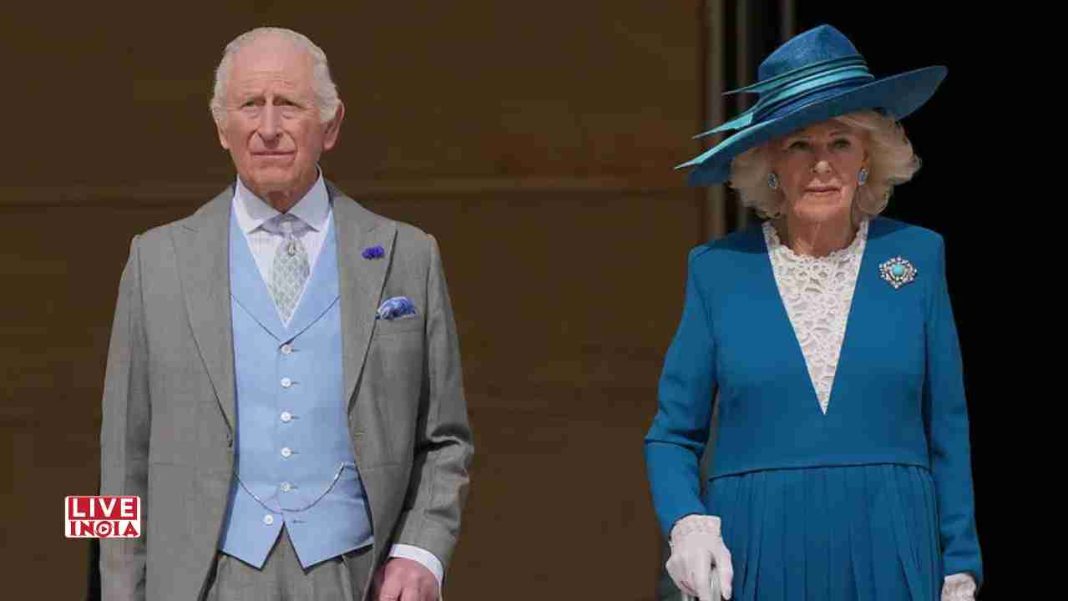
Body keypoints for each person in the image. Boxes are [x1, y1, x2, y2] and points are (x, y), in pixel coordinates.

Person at [99, 27, 473, 601]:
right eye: (250, 104)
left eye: (289, 105)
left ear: (331, 125)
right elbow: (118, 461)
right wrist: (119, 590)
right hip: (202, 582)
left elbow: (446, 441)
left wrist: (421, 552)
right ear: (221, 127)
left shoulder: (408, 255)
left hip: (354, 576)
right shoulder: (154, 260)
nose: (268, 127)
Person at [644, 24, 982, 601]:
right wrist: (687, 523)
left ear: (867, 158)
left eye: (840, 142)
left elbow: (947, 427)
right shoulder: (719, 270)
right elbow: (673, 434)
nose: (822, 164)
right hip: (758, 548)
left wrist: (960, 568)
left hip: (892, 544)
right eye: (800, 144)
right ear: (770, 163)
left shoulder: (917, 257)